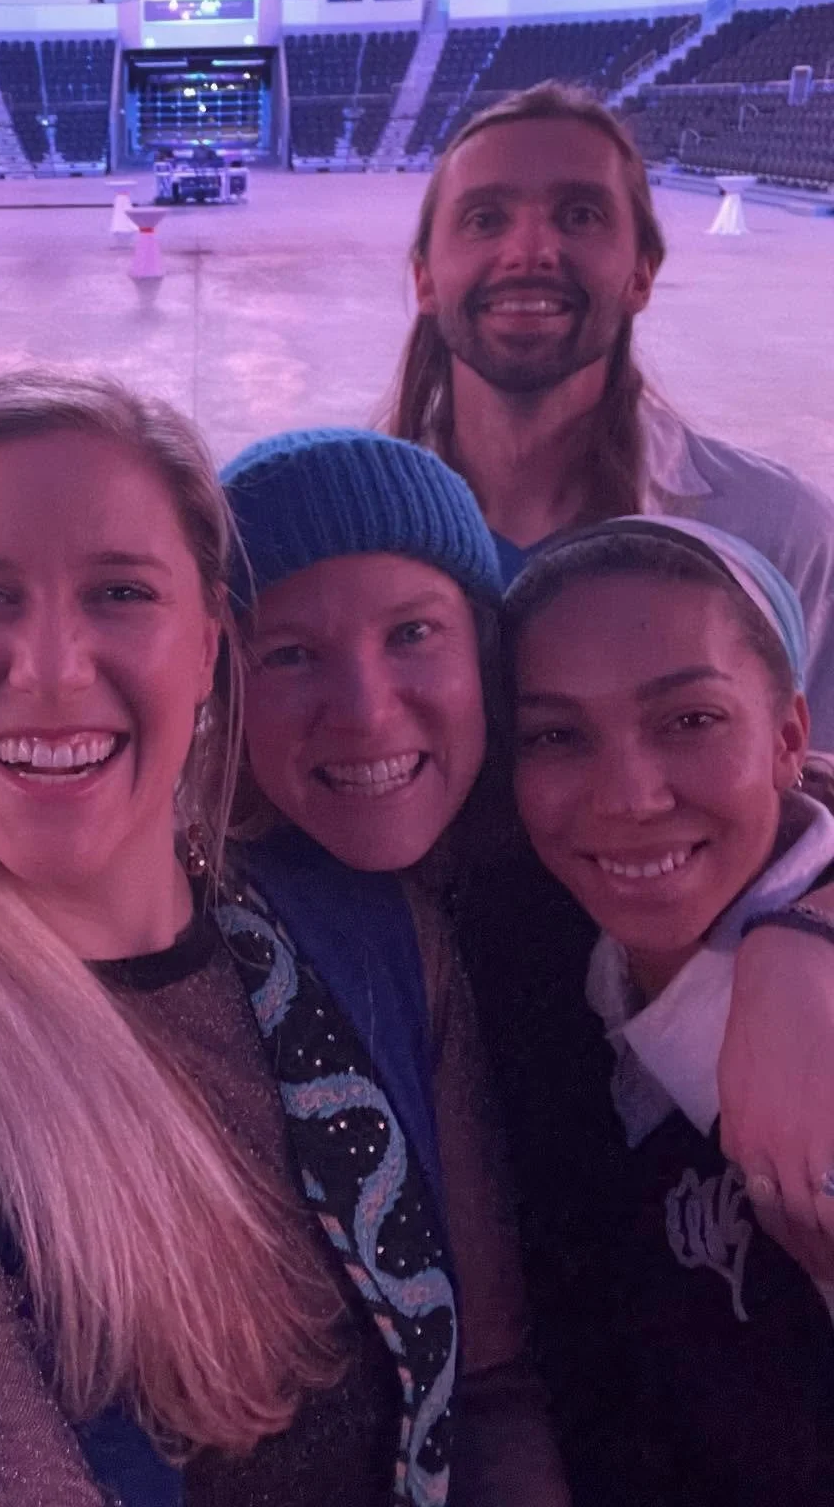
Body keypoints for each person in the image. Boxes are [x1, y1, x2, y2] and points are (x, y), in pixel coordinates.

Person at [0, 374, 565, 1507]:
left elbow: (495, 1392)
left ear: (209, 645)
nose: (53, 669)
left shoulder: (372, 936)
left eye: (120, 591)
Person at [219, 429, 834, 1489]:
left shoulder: (592, 897)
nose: (628, 797)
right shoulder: (535, 908)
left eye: (413, 632)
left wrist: (807, 938)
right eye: (289, 652)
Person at [503, 518, 834, 1503]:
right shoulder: (537, 958)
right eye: (556, 735)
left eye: (690, 720)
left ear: (787, 738)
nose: (629, 798)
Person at [386, 79, 834, 746]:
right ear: (425, 278)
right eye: (484, 219)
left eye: (580, 216)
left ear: (641, 274)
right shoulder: (352, 535)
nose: (529, 252)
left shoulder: (780, 534)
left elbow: (810, 786)